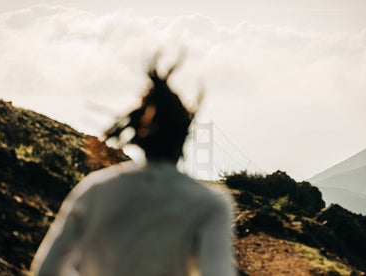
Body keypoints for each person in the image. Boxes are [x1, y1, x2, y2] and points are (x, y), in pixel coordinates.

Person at [30, 59, 236, 276]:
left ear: (137, 132)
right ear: (184, 136)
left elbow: (46, 271)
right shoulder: (209, 204)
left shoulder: (94, 189)